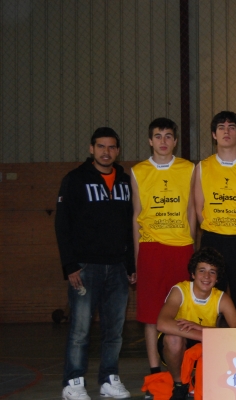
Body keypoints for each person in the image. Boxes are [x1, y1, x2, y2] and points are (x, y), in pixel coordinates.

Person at [55, 127, 135, 400]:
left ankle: (109, 379)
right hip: (85, 268)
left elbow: (130, 226)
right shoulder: (75, 179)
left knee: (114, 330)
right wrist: (70, 265)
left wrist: (130, 266)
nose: (106, 152)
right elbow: (62, 224)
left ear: (118, 151)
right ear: (91, 149)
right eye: (101, 146)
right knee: (80, 330)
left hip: (118, 268)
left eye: (111, 147)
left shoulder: (125, 181)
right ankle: (73, 383)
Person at [131, 118, 196, 379]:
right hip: (151, 248)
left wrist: (192, 247)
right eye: (158, 136)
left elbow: (191, 211)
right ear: (150, 140)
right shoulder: (138, 171)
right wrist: (137, 258)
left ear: (175, 141)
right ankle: (155, 372)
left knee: (184, 313)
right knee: (151, 315)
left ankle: (186, 372)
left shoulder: (188, 168)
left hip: (181, 248)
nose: (163, 141)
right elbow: (136, 215)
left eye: (168, 136)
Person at [194, 111, 236, 315]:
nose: (226, 131)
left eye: (231, 127)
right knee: (209, 302)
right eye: (221, 128)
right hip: (213, 241)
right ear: (214, 134)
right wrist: (215, 229)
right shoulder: (203, 167)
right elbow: (199, 207)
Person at [156, 247, 236, 399]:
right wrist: (203, 335)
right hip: (181, 342)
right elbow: (162, 323)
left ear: (217, 278)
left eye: (212, 272)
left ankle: (199, 379)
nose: (206, 276)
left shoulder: (221, 298)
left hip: (204, 344)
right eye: (202, 270)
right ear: (193, 274)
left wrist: (203, 329)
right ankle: (179, 384)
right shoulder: (180, 290)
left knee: (230, 344)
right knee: (173, 339)